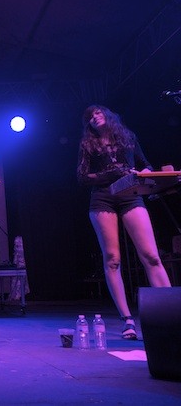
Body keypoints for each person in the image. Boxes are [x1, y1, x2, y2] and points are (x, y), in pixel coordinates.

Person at [76, 105, 171, 340]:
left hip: (130, 194)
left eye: (98, 113)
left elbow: (145, 164)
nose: (94, 117)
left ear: (108, 116)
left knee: (151, 255)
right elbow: (82, 176)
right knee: (112, 259)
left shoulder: (127, 137)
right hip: (102, 198)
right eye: (90, 117)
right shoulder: (88, 144)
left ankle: (171, 312)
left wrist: (143, 174)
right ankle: (127, 319)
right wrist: (110, 174)